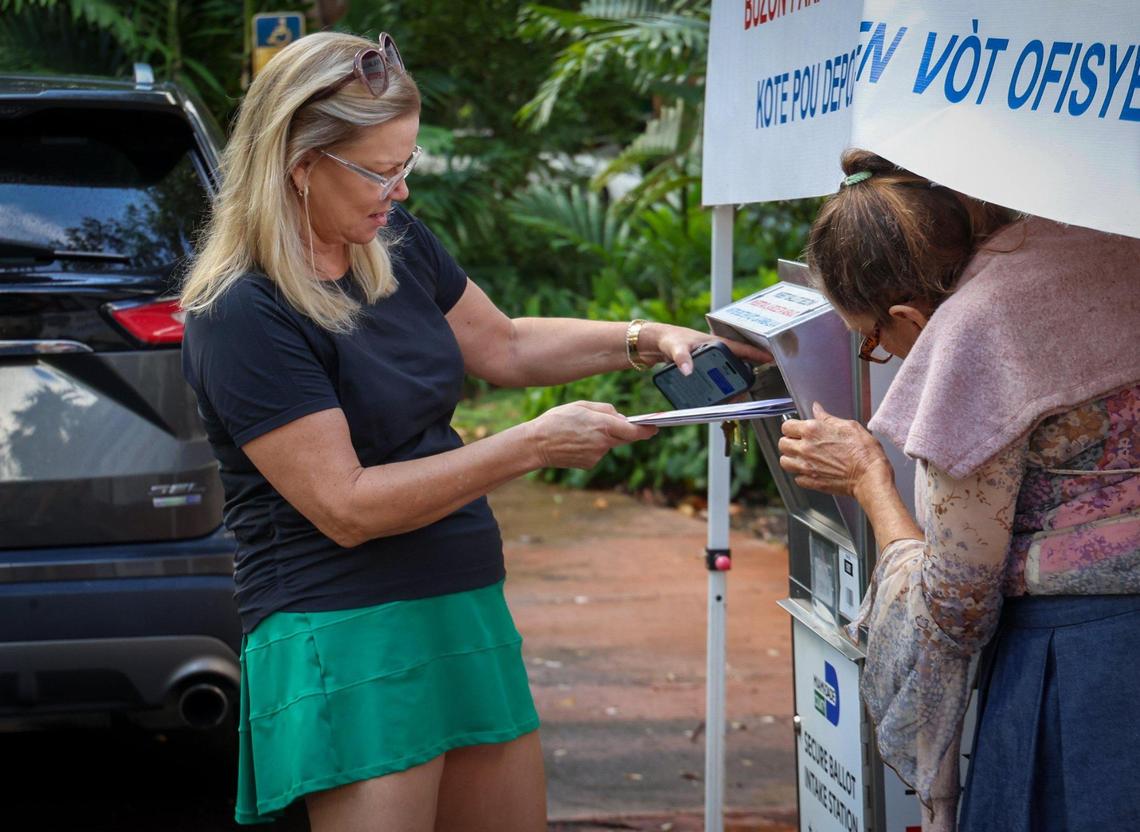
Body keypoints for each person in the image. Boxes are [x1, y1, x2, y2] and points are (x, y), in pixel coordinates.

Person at [179, 31, 766, 831]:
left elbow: (506, 344)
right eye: (381, 170)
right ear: (300, 164)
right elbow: (346, 505)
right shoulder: (242, 311)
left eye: (407, 164)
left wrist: (644, 339)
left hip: (460, 601)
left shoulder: (390, 243)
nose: (402, 191)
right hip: (347, 630)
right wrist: (529, 445)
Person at [777, 149, 1140, 832]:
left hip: (1093, 665)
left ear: (907, 314)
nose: (883, 355)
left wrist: (869, 481)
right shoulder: (1110, 232)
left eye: (874, 341)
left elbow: (956, 604)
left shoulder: (977, 329)